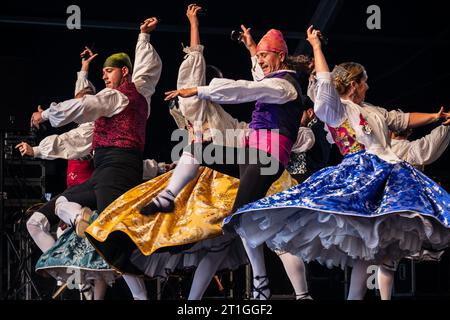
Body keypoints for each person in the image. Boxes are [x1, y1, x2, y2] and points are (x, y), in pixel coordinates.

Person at [222, 25, 450, 300]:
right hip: (359, 176)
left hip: (387, 173)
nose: (367, 86)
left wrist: (437, 117)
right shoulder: (336, 108)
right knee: (365, 244)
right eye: (364, 81)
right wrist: (317, 47)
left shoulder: (374, 111)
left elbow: (402, 119)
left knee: (372, 247)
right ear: (354, 84)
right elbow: (322, 82)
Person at [29, 17, 162, 300]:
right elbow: (78, 132)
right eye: (102, 72)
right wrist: (143, 38)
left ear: (123, 73)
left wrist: (47, 115)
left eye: (109, 71)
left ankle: (136, 294)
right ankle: (79, 259)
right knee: (47, 213)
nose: (104, 77)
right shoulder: (127, 100)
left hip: (120, 170)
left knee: (113, 245)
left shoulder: (119, 98)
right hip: (103, 172)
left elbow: (86, 103)